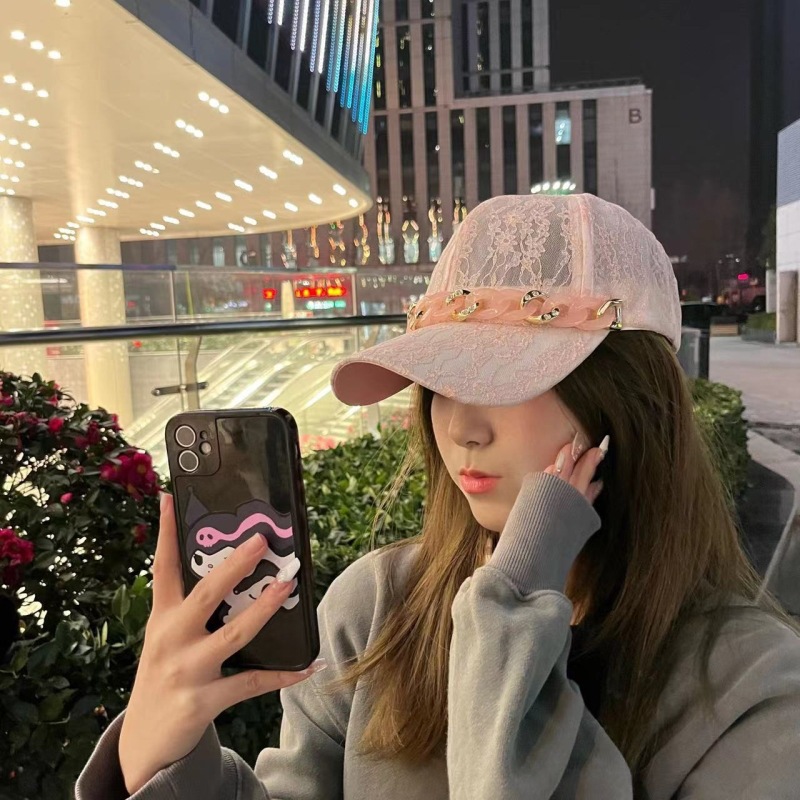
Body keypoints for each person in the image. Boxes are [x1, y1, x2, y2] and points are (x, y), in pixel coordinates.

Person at [76, 195, 800, 799]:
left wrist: (514, 607)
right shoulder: (377, 607)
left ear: (628, 402)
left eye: (508, 380)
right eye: (442, 382)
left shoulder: (749, 684)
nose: (459, 428)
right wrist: (166, 758)